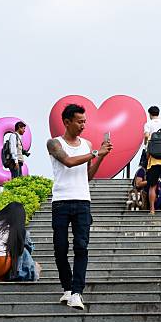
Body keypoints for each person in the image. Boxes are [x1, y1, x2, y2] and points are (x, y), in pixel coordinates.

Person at [46, 103, 112, 310]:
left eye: (85, 121)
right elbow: (68, 161)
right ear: (67, 122)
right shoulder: (53, 143)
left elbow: (88, 176)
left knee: (81, 247)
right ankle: (67, 288)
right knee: (60, 248)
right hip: (61, 201)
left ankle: (77, 292)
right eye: (80, 121)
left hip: (83, 200)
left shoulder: (87, 144)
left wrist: (100, 156)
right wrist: (95, 153)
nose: (83, 125)